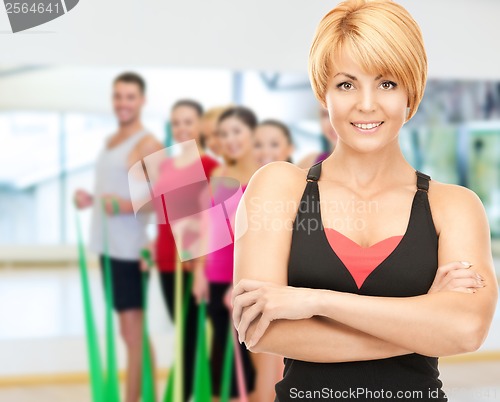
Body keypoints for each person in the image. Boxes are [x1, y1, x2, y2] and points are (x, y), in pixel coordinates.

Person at [231, 1, 498, 402]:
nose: (367, 104)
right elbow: (260, 329)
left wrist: (314, 301)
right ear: (324, 92)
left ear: (413, 89)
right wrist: (424, 318)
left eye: (387, 83)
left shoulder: (454, 206)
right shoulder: (279, 188)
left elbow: (466, 330)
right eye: (346, 83)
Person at [74, 72, 163, 402]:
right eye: (118, 96)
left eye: (129, 97)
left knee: (132, 330)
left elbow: (158, 201)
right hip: (107, 246)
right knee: (130, 331)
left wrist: (124, 205)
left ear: (142, 101)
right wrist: (90, 200)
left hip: (130, 250)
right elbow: (111, 191)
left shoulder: (147, 143)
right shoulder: (111, 141)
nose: (122, 103)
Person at [147, 99, 219, 402]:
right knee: (183, 333)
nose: (181, 128)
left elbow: (211, 217)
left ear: (200, 125)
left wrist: (199, 256)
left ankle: (188, 394)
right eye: (176, 122)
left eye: (188, 121)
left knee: (192, 335)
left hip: (193, 261)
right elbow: (160, 212)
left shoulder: (211, 166)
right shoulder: (163, 164)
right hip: (165, 258)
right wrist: (152, 245)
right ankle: (188, 392)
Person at [192, 106, 259, 402]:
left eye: (237, 132)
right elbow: (210, 228)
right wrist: (198, 273)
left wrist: (241, 280)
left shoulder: (266, 174)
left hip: (245, 280)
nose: (230, 140)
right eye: (223, 134)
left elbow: (266, 235)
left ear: (252, 133)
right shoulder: (219, 173)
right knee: (223, 359)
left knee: (249, 365)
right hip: (215, 276)